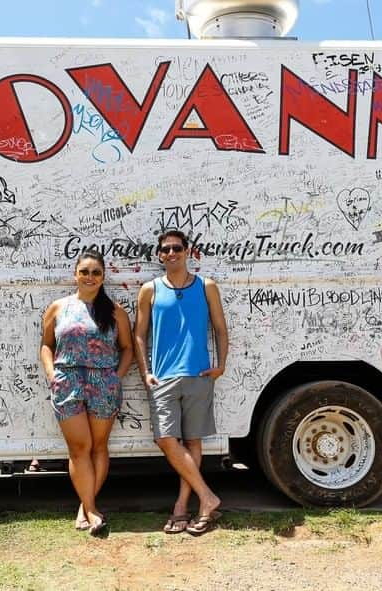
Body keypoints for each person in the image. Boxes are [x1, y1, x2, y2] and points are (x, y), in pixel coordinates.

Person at [133, 229, 228, 535]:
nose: (171, 253)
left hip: (198, 375)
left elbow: (220, 329)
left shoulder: (206, 286)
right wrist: (145, 371)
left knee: (193, 442)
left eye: (176, 248)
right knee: (165, 439)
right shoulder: (150, 289)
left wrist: (220, 366)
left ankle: (183, 507)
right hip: (163, 378)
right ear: (159, 256)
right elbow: (139, 334)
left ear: (188, 251)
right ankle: (208, 496)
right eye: (165, 249)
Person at [39, 250, 134, 537]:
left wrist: (116, 377)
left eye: (95, 272)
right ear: (75, 275)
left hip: (103, 382)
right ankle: (91, 508)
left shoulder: (115, 311)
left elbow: (127, 348)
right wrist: (52, 374)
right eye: (85, 271)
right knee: (79, 448)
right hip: (68, 381)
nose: (90, 277)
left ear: (103, 277)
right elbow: (46, 345)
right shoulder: (58, 308)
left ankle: (86, 506)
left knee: (99, 446)